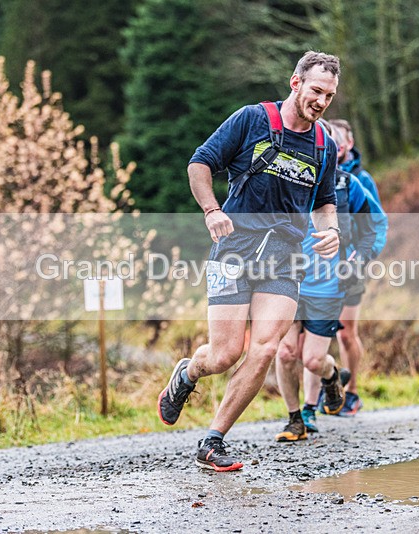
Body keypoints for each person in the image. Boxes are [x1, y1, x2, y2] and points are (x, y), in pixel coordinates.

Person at [157, 51, 341, 472]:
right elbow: (200, 163)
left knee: (264, 349)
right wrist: (211, 210)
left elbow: (326, 202)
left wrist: (331, 230)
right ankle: (187, 375)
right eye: (315, 91)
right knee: (222, 356)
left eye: (329, 96)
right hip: (234, 249)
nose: (320, 101)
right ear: (295, 83)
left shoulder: (324, 146)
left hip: (285, 258)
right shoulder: (252, 119)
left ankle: (212, 441)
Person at [274, 119, 382, 442]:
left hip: (327, 285)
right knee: (285, 353)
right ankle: (297, 417)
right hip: (287, 281)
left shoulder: (349, 185)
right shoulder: (289, 178)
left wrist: (359, 258)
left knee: (313, 358)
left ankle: (333, 376)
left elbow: (374, 226)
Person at [311, 119, 387, 417]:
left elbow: (375, 223)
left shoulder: (359, 180)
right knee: (314, 335)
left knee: (345, 333)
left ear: (347, 144)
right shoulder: (311, 174)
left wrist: (362, 256)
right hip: (316, 268)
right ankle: (324, 390)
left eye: (339, 141)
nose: (335, 145)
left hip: (350, 264)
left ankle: (352, 391)